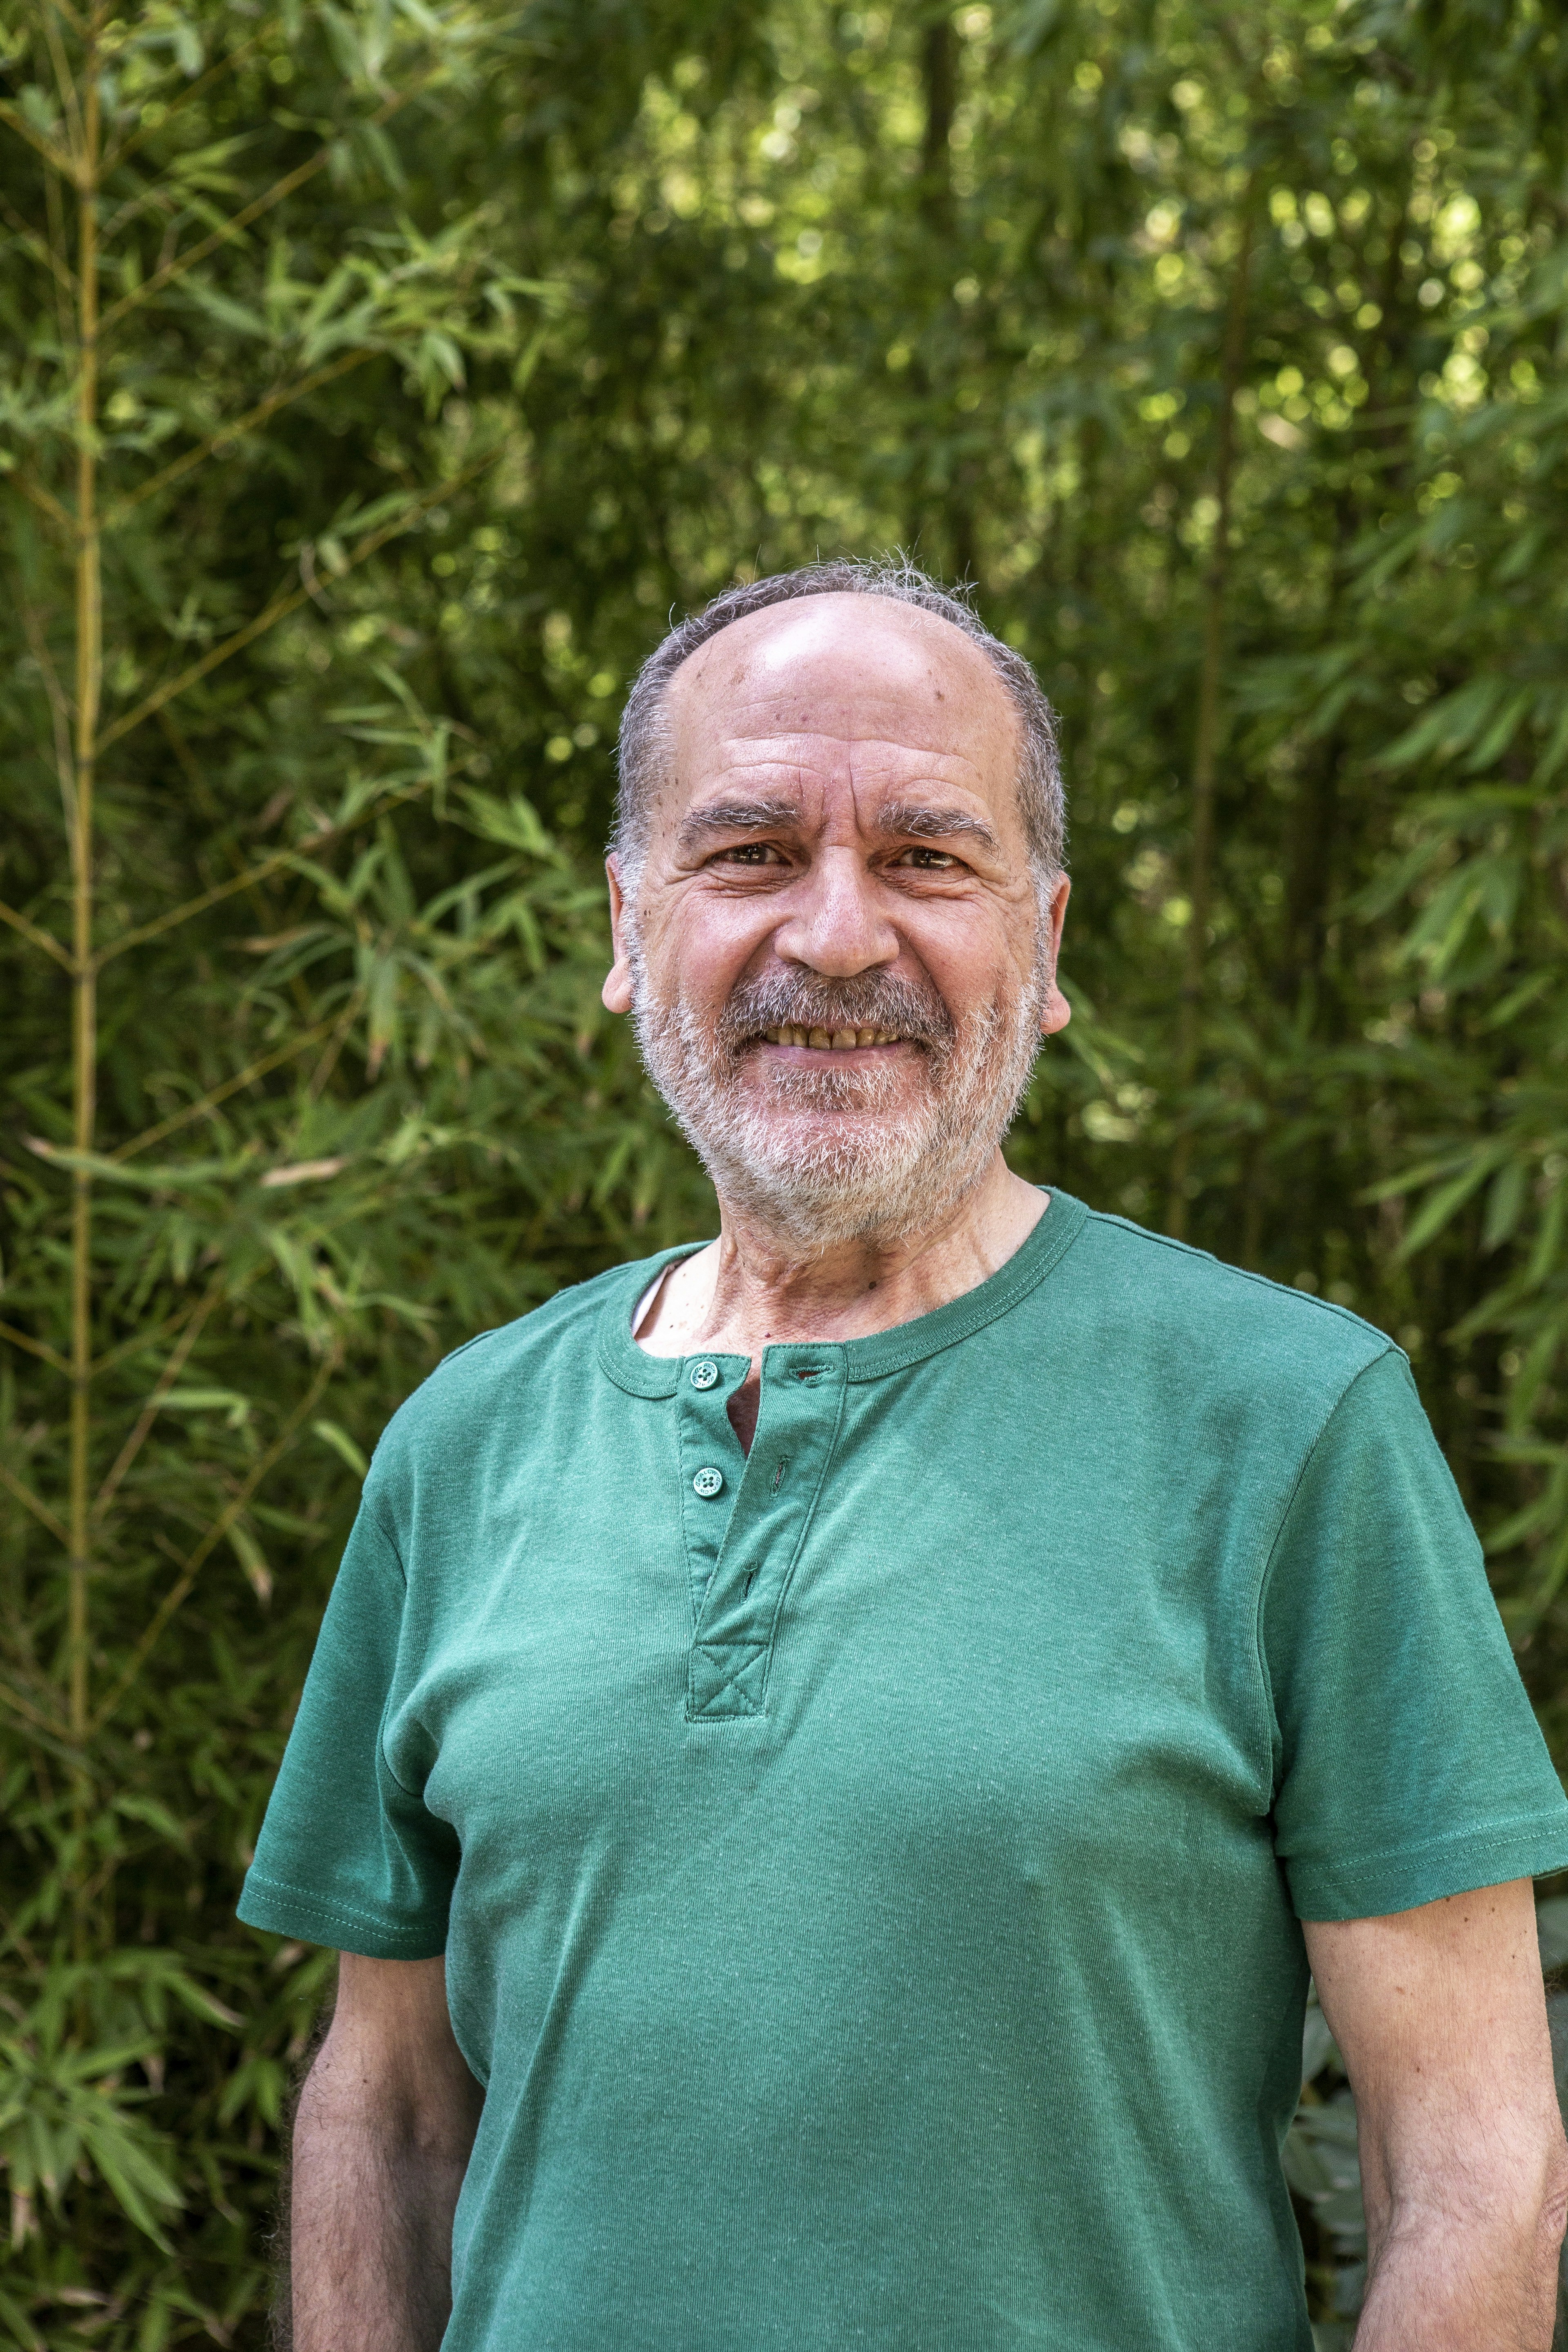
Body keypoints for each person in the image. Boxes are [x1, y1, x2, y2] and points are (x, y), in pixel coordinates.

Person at [239, 558, 1568, 2352]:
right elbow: (386, 2113)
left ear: (1049, 943)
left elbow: (1473, 2162)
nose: (841, 936)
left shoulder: (1290, 1424)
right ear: (629, 928)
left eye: (930, 858)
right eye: (752, 852)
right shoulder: (462, 1446)